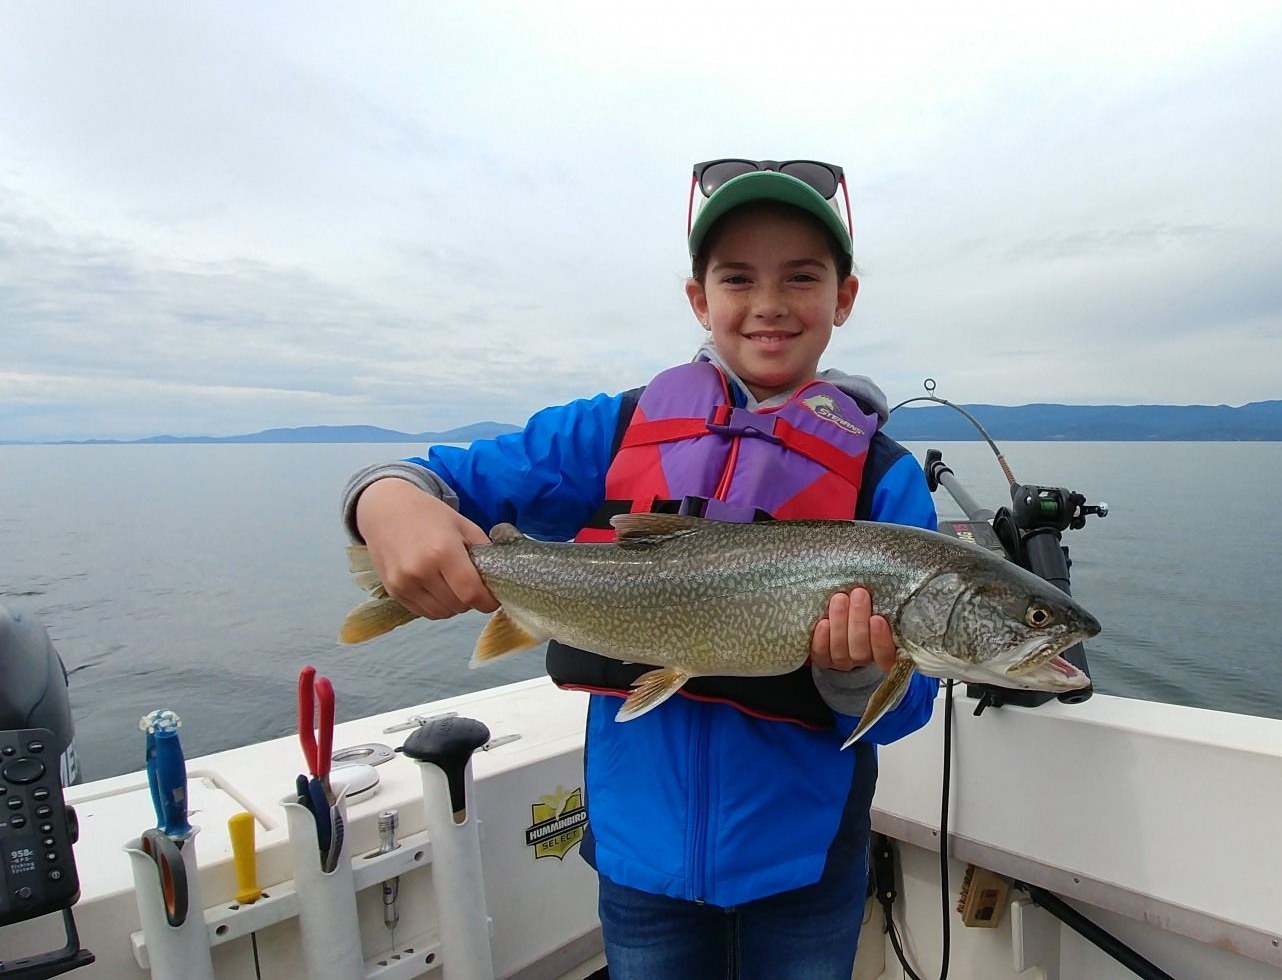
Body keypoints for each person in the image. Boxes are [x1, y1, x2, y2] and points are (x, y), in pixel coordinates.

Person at [339, 158, 938, 979]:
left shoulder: (881, 478)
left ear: (844, 296)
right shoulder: (616, 429)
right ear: (699, 297)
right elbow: (438, 475)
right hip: (636, 858)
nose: (768, 303)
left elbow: (905, 711)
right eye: (737, 277)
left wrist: (856, 675)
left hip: (805, 864)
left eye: (801, 277)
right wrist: (383, 498)